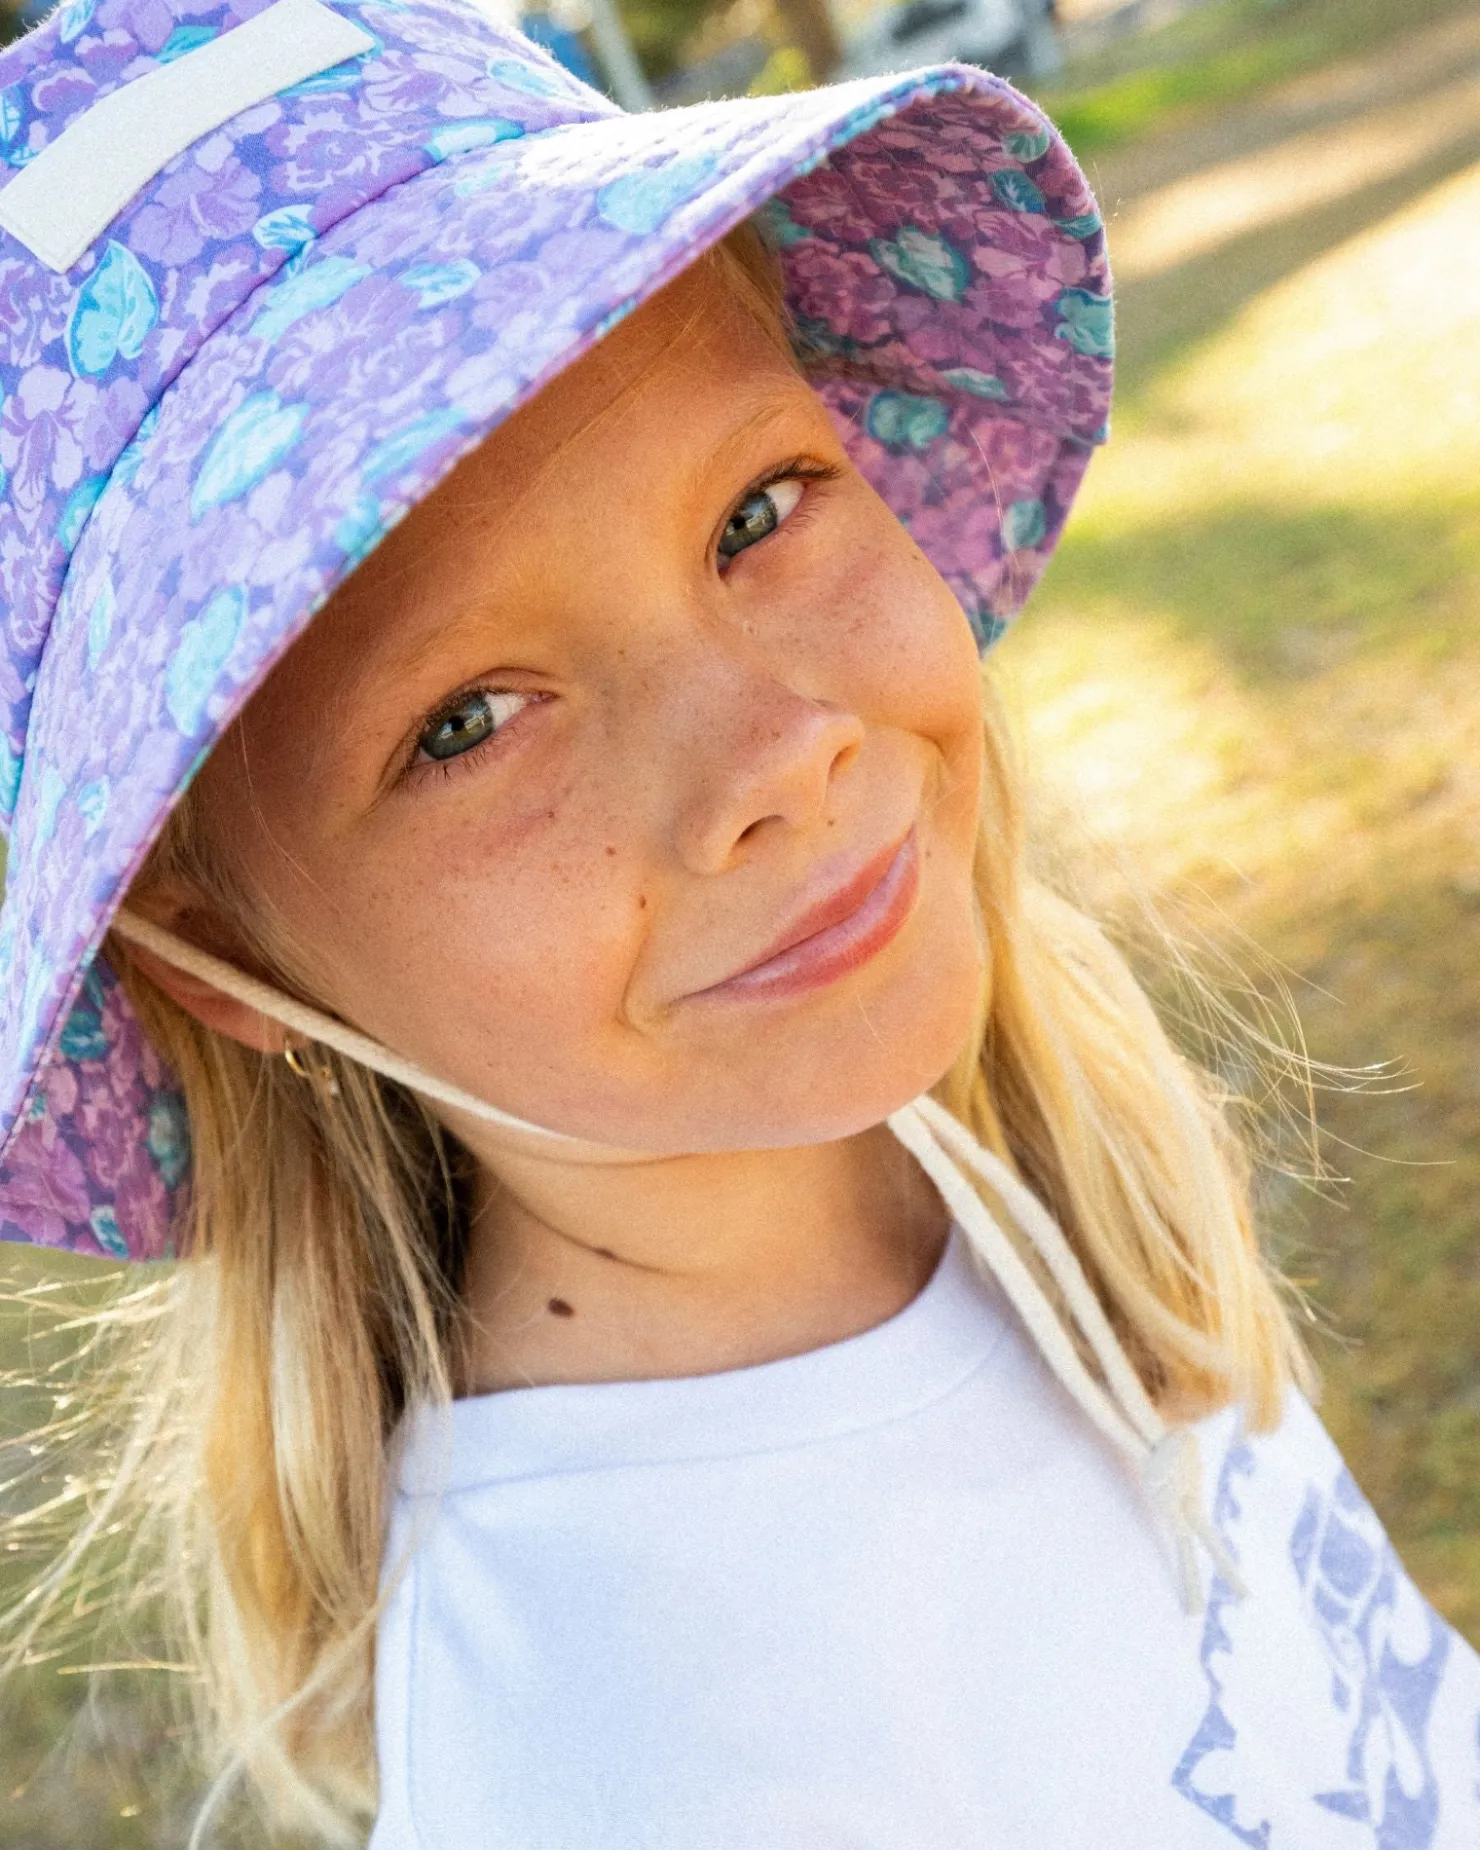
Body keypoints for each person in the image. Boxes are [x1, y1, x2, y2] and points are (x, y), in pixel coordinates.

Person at [0, 0, 1475, 1844]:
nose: (778, 753)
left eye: (759, 509)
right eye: (463, 720)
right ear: (215, 958)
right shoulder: (617, 1753)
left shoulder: (1012, 1168)